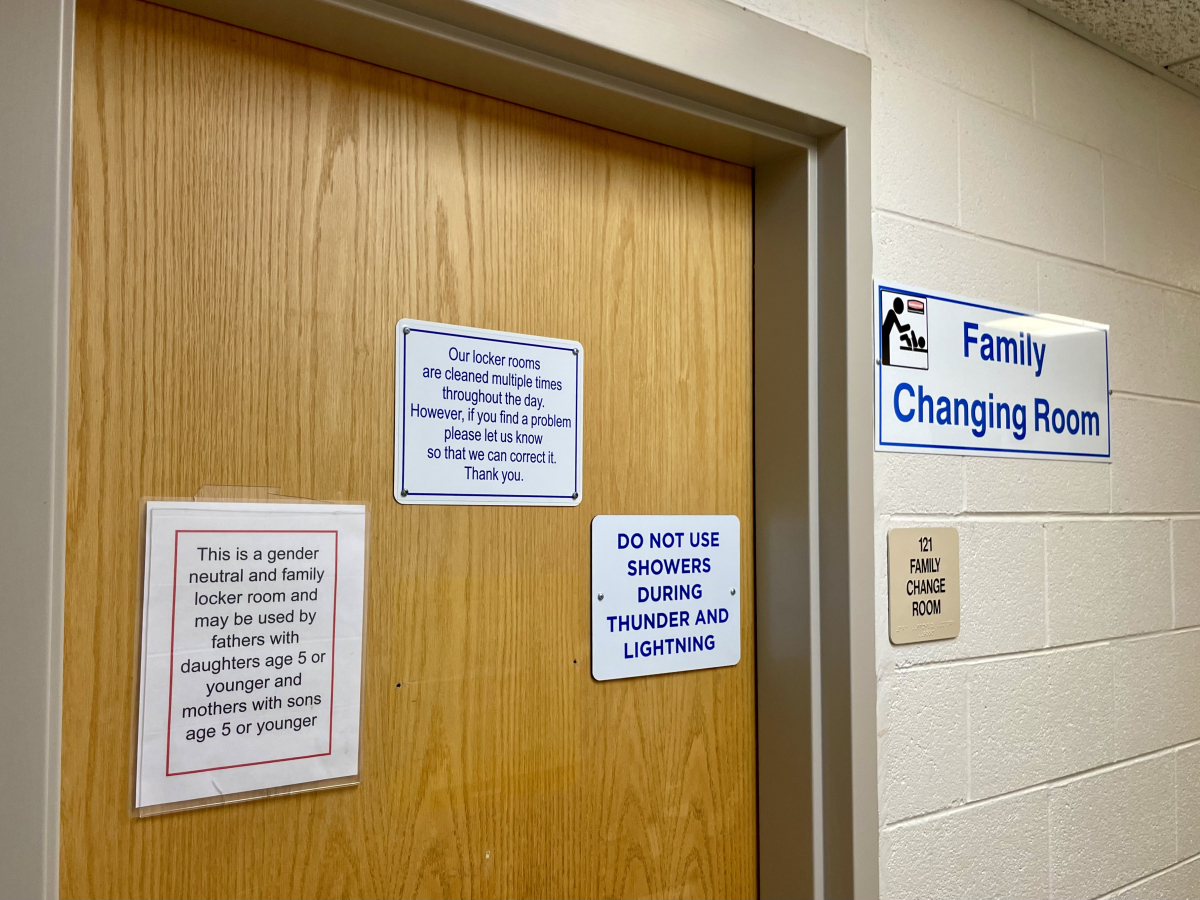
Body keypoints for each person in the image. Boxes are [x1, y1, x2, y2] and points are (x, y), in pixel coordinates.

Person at [880, 296, 910, 366]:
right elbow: (900, 329)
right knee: (885, 361)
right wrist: (908, 326)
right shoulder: (891, 313)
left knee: (886, 361)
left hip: (886, 335)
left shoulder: (891, 313)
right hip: (885, 336)